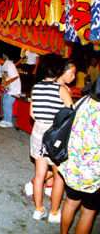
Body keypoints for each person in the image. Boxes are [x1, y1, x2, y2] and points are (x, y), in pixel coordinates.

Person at [28, 54, 73, 222]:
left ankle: (38, 210)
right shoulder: (60, 89)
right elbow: (70, 113)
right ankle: (54, 213)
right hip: (55, 134)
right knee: (58, 174)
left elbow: (32, 113)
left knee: (39, 174)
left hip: (38, 130)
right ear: (59, 70)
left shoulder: (36, 87)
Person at [58, 76, 100, 234]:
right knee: (88, 212)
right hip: (95, 174)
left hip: (74, 165)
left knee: (70, 202)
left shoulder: (83, 101)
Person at [0, 51, 21, 128]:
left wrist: (7, 82)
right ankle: (5, 120)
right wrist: (1, 89)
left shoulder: (9, 65)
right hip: (7, 88)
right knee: (4, 103)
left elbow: (16, 76)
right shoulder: (1, 66)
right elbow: (3, 78)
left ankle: (9, 121)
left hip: (14, 88)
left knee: (8, 103)